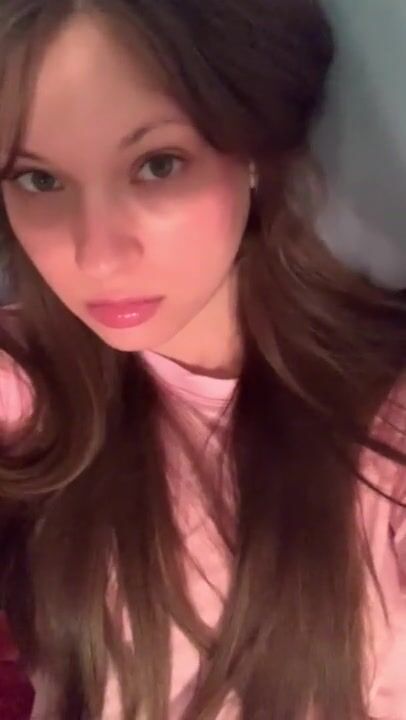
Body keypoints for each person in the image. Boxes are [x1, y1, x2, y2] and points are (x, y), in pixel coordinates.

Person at [0, 1, 405, 719]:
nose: (98, 257)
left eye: (157, 165)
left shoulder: (386, 428)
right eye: (39, 180)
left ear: (252, 154)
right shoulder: (31, 378)